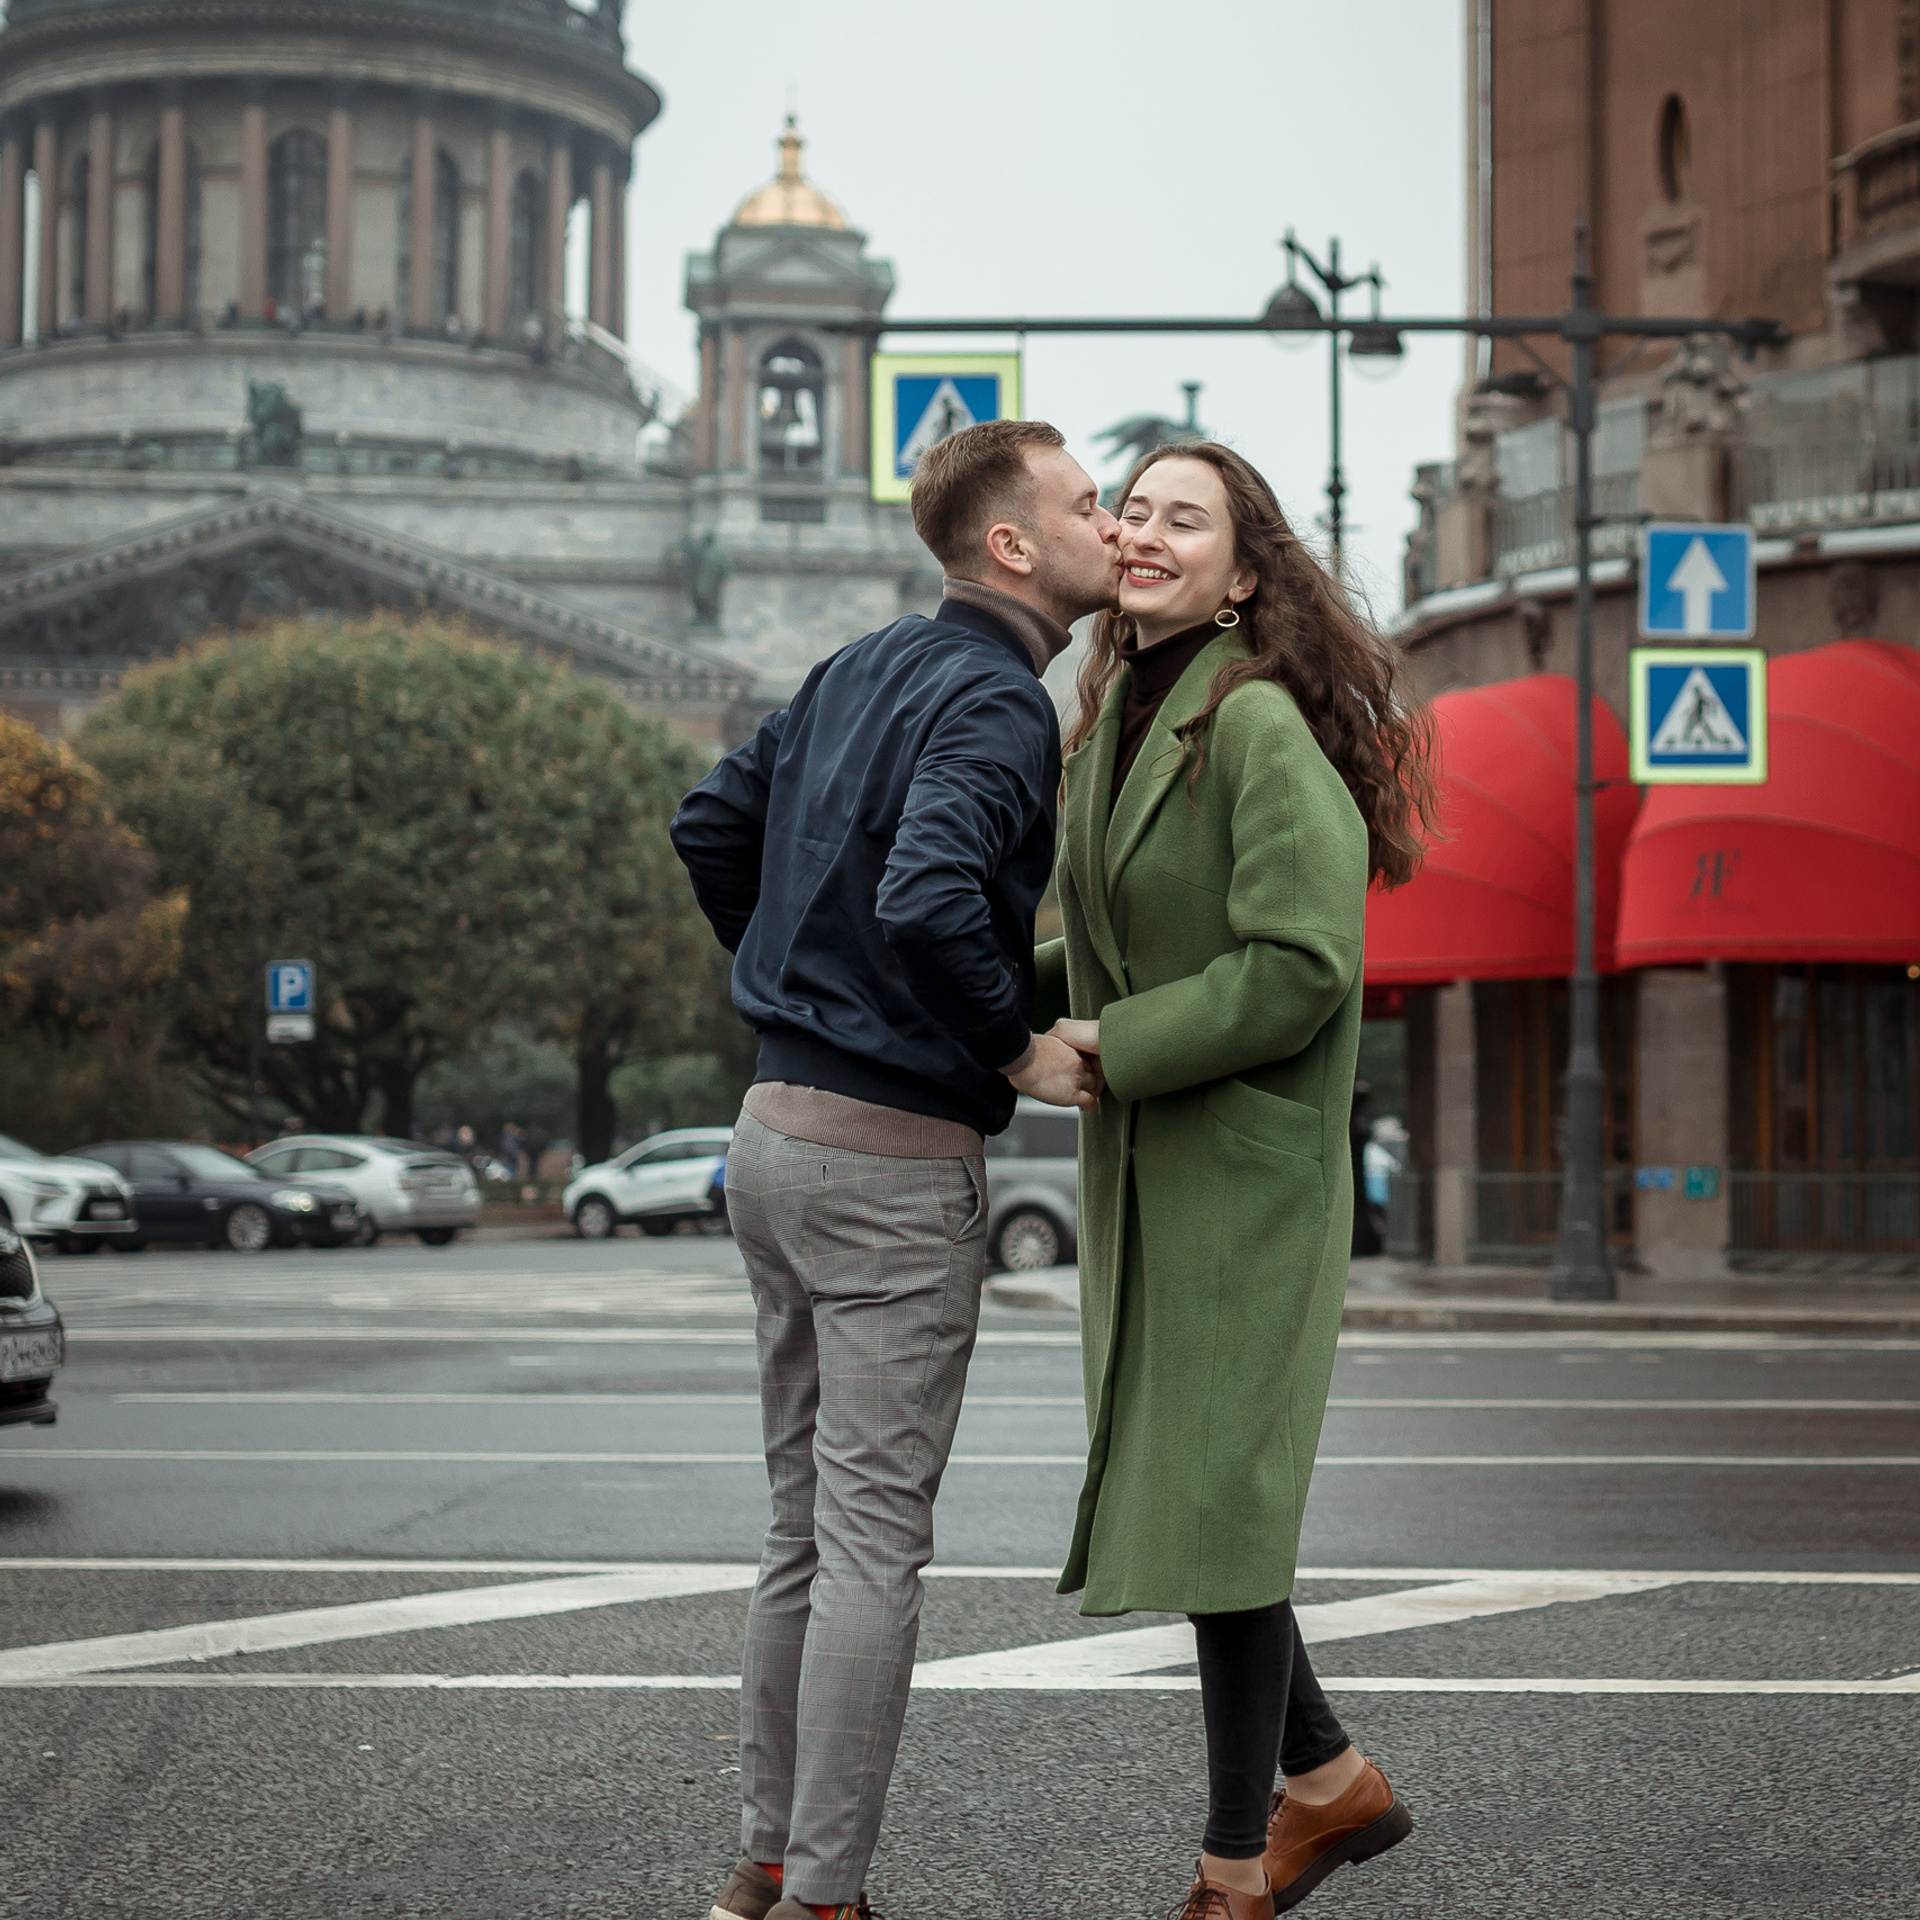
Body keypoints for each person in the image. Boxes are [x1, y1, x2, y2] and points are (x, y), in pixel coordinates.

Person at [671, 418, 1120, 1920]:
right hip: (885, 1165)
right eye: (1083, 502)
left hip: (769, 1137)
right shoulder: (997, 700)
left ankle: (764, 1863)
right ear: (1011, 545)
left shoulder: (857, 665)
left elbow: (711, 825)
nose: (1109, 522)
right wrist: (1016, 1049)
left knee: (799, 1528)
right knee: (872, 1543)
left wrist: (805, 982)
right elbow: (933, 894)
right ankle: (826, 1899)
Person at [1036, 443, 1439, 1919]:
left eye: (1182, 519)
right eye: (1131, 510)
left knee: (1221, 1500)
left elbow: (1298, 967)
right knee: (1207, 1501)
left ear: (1245, 572)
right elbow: (1098, 937)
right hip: (1159, 1172)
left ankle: (1233, 1867)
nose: (1143, 534)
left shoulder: (1257, 720)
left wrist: (1100, 1050)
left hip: (1244, 1172)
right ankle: (1328, 1785)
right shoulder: (1117, 713)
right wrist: (954, 997)